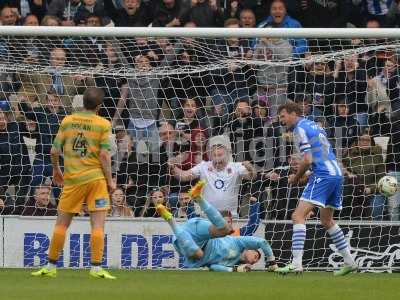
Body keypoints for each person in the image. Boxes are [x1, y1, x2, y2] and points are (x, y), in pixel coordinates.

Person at [31, 87, 116, 280]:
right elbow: (104, 155)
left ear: (82, 102)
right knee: (97, 225)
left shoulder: (67, 121)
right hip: (96, 180)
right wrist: (110, 180)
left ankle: (51, 266)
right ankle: (95, 268)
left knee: (62, 224)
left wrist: (56, 170)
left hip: (73, 180)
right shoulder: (103, 123)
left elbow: (54, 151)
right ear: (99, 107)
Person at [275, 101, 357, 276]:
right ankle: (350, 262)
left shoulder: (299, 129)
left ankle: (296, 263)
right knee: (326, 221)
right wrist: (305, 176)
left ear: (293, 113)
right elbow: (320, 156)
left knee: (297, 216)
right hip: (336, 174)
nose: (282, 121)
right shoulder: (315, 125)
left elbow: (308, 159)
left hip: (324, 175)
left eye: (283, 116)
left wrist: (296, 178)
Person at [156, 181, 278, 272]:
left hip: (186, 243)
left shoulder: (231, 262)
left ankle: (171, 220)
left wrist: (235, 270)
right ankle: (197, 198)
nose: (254, 260)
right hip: (196, 234)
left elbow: (213, 267)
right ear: (250, 248)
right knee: (222, 232)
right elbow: (257, 231)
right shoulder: (238, 238)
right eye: (256, 256)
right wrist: (255, 204)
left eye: (256, 260)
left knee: (199, 254)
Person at [170, 143, 256, 216]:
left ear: (227, 156)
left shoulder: (236, 166)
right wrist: (173, 168)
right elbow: (184, 176)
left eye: (220, 155)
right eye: (214, 155)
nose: (217, 158)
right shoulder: (204, 166)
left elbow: (251, 177)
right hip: (208, 215)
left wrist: (250, 167)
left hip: (230, 215)